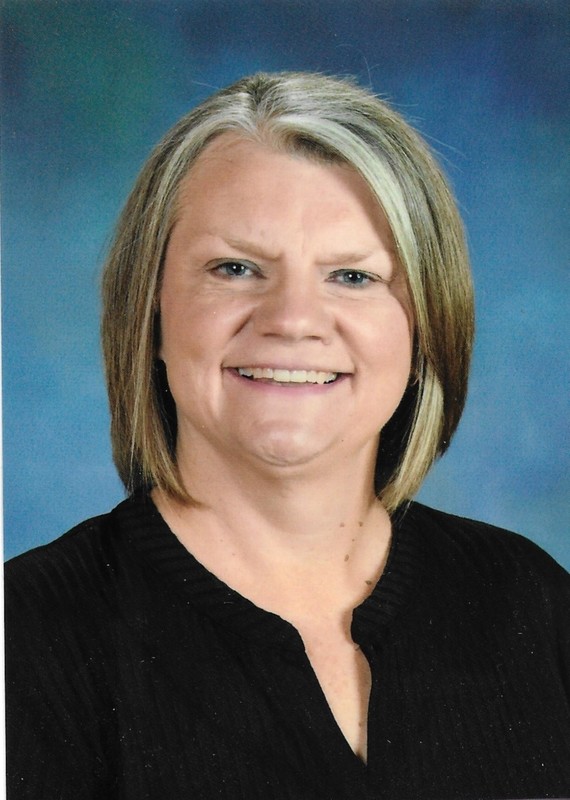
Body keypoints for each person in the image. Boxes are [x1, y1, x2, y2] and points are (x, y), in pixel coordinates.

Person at [5, 72, 569, 799]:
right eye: (235, 268)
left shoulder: (530, 600)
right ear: (150, 311)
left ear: (426, 323)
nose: (293, 319)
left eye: (353, 277)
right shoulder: (25, 636)